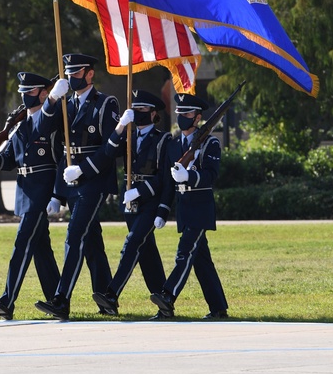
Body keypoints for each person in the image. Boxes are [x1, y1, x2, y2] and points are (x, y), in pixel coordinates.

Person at [34, 53, 117, 320]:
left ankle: (61, 300)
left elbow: (110, 148)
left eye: (77, 72)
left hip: (94, 179)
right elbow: (44, 130)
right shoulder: (65, 104)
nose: (72, 77)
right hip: (70, 180)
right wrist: (52, 100)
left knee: (75, 235)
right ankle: (107, 298)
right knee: (91, 241)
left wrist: (85, 168)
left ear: (90, 74)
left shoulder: (105, 103)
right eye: (69, 73)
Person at [0, 72, 61, 320]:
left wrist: (54, 100)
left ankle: (7, 300)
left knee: (22, 243)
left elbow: (46, 126)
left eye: (31, 91)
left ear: (43, 93)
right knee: (40, 249)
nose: (25, 96)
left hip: (42, 189)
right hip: (25, 190)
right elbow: (11, 159)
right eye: (22, 92)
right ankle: (58, 299)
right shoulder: (20, 126)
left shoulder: (50, 118)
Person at [92, 89, 173, 317]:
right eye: (134, 109)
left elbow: (162, 178)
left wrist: (145, 196)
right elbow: (108, 152)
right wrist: (119, 127)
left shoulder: (162, 139)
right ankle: (164, 299)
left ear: (153, 113)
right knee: (145, 251)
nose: (137, 113)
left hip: (149, 202)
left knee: (132, 243)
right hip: (131, 204)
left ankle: (111, 295)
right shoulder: (129, 137)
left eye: (141, 109)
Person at [149, 93, 229, 320]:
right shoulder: (173, 145)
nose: (183, 116)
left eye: (188, 113)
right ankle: (218, 308)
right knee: (201, 260)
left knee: (184, 253)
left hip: (200, 207)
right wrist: (163, 210)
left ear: (198, 117)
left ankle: (167, 296)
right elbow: (167, 182)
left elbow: (211, 175)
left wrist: (189, 176)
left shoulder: (210, 143)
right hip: (184, 208)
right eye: (180, 113)